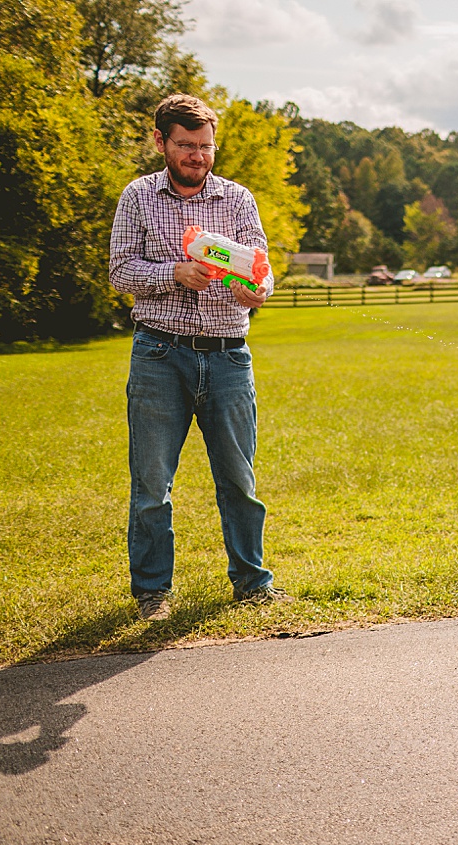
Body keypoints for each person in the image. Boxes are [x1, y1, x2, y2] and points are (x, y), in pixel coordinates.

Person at [109, 93, 284, 621]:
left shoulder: (237, 199)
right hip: (159, 353)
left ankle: (252, 583)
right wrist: (173, 274)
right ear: (160, 141)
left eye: (205, 147)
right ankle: (153, 594)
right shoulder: (139, 196)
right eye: (186, 146)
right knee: (152, 483)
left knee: (238, 479)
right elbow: (120, 270)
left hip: (229, 356)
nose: (197, 157)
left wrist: (257, 290)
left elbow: (262, 268)